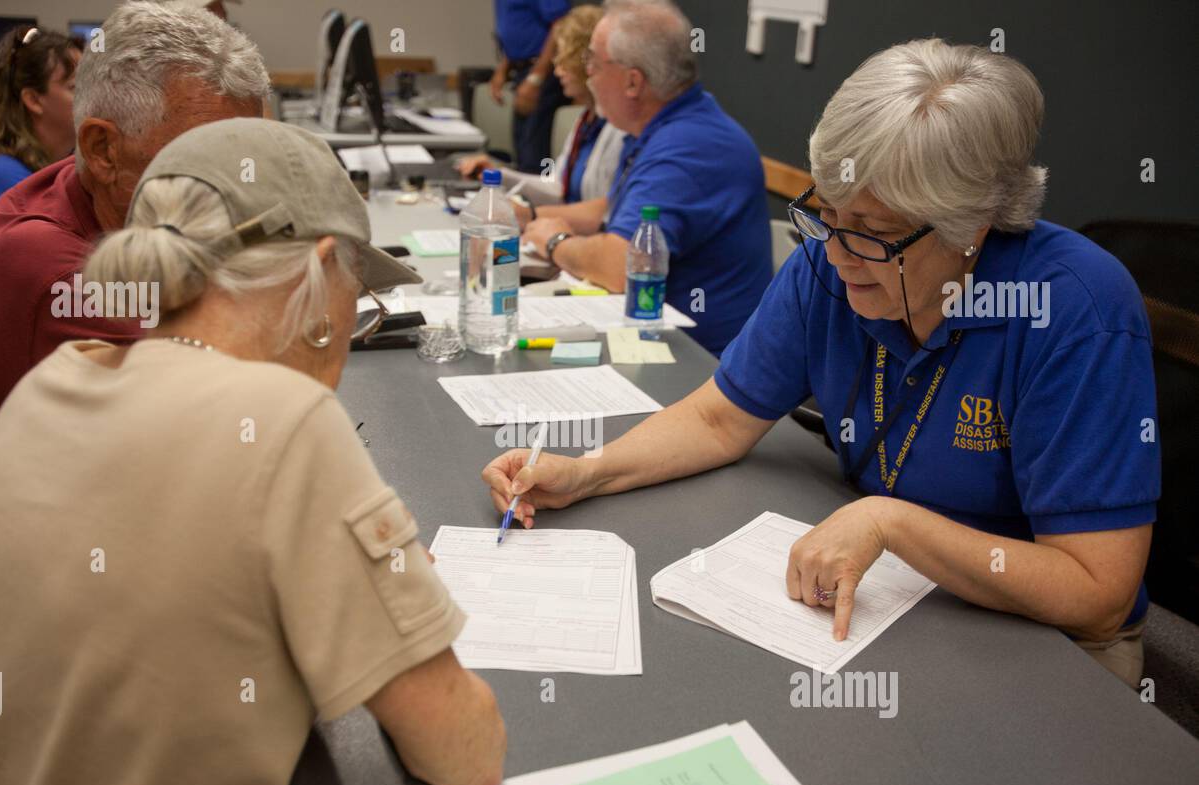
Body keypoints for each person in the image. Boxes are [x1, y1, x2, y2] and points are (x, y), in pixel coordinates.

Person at [482, 39, 1161, 689]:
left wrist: (892, 523)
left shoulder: (1073, 309)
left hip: (1046, 648)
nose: (836, 255)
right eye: (825, 215)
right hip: (883, 594)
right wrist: (588, 473)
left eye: (875, 233)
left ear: (972, 225)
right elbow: (721, 418)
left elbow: (1098, 595)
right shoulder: (829, 265)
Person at [0, 118, 507, 785]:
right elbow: (465, 752)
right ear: (320, 267)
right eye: (356, 298)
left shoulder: (51, 385)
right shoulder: (287, 425)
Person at [0, 1, 268, 686]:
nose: (239, 191)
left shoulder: (96, 197)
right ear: (101, 148)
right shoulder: (53, 268)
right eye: (208, 161)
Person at [521, 0, 771, 355]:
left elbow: (618, 265)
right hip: (659, 342)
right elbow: (613, 210)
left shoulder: (690, 147)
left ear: (633, 82)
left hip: (700, 363)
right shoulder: (667, 124)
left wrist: (555, 241)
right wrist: (529, 217)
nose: (587, 72)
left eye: (593, 61)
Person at [458, 4, 624, 205]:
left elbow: (600, 210)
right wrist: (499, 175)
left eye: (566, 59)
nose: (557, 71)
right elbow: (554, 186)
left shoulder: (617, 128)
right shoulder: (585, 120)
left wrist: (532, 215)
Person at [0, 26, 82, 231]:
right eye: (75, 87)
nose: (93, 94)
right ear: (34, 100)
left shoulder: (67, 158)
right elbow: (53, 255)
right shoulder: (0, 175)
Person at [491, 0, 573, 172]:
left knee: (536, 154)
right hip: (520, 69)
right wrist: (503, 69)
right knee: (522, 150)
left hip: (544, 72)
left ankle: (541, 194)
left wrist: (537, 77)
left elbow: (561, 23)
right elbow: (517, 26)